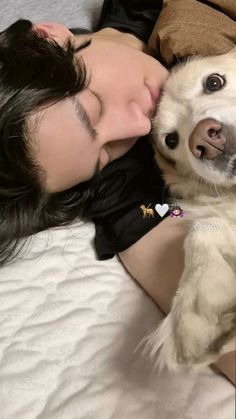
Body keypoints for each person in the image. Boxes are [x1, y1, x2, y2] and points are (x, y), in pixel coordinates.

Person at [0, 0, 235, 384]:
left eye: (93, 110)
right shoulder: (124, 186)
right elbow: (164, 222)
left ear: (50, 37)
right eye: (103, 156)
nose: (139, 128)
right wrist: (204, 232)